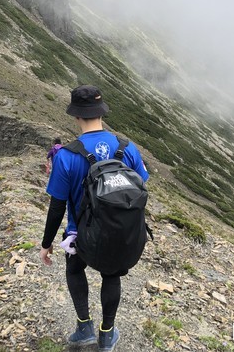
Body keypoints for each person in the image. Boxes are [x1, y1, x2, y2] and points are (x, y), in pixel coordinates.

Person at [40, 85, 149, 351]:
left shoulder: (66, 156)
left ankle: (84, 326)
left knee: (75, 269)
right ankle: (106, 334)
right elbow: (141, 187)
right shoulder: (127, 147)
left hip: (80, 234)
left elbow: (57, 206)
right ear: (101, 112)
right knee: (112, 276)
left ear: (76, 115)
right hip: (118, 233)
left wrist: (46, 244)